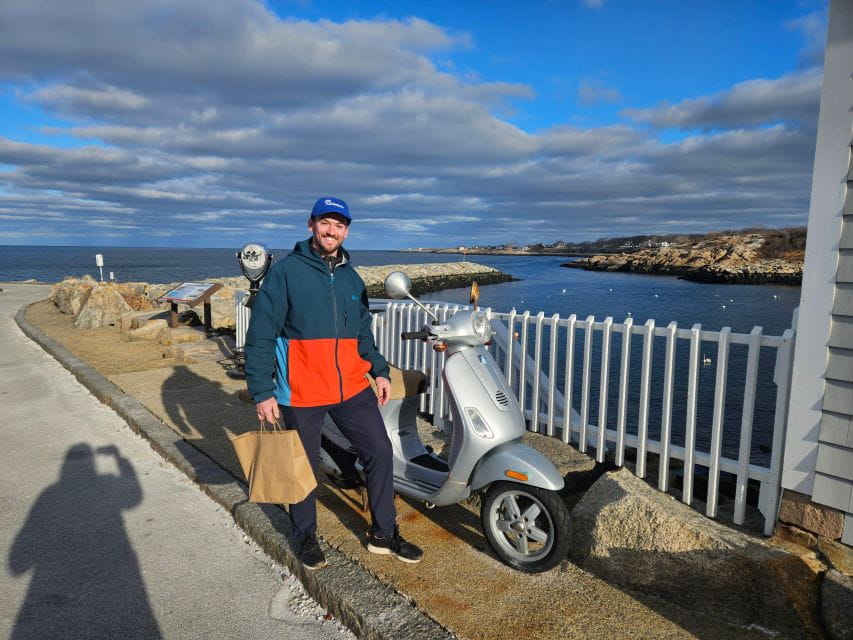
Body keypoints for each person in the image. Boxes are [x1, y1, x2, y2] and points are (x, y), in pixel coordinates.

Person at [244, 196, 423, 570]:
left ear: (346, 231)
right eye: (325, 223)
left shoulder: (351, 278)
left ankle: (383, 534)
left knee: (378, 451)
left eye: (339, 225)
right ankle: (304, 534)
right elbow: (261, 334)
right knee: (303, 465)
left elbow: (363, 333)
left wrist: (379, 370)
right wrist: (263, 391)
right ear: (311, 225)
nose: (332, 230)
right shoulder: (287, 272)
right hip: (302, 388)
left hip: (351, 387)